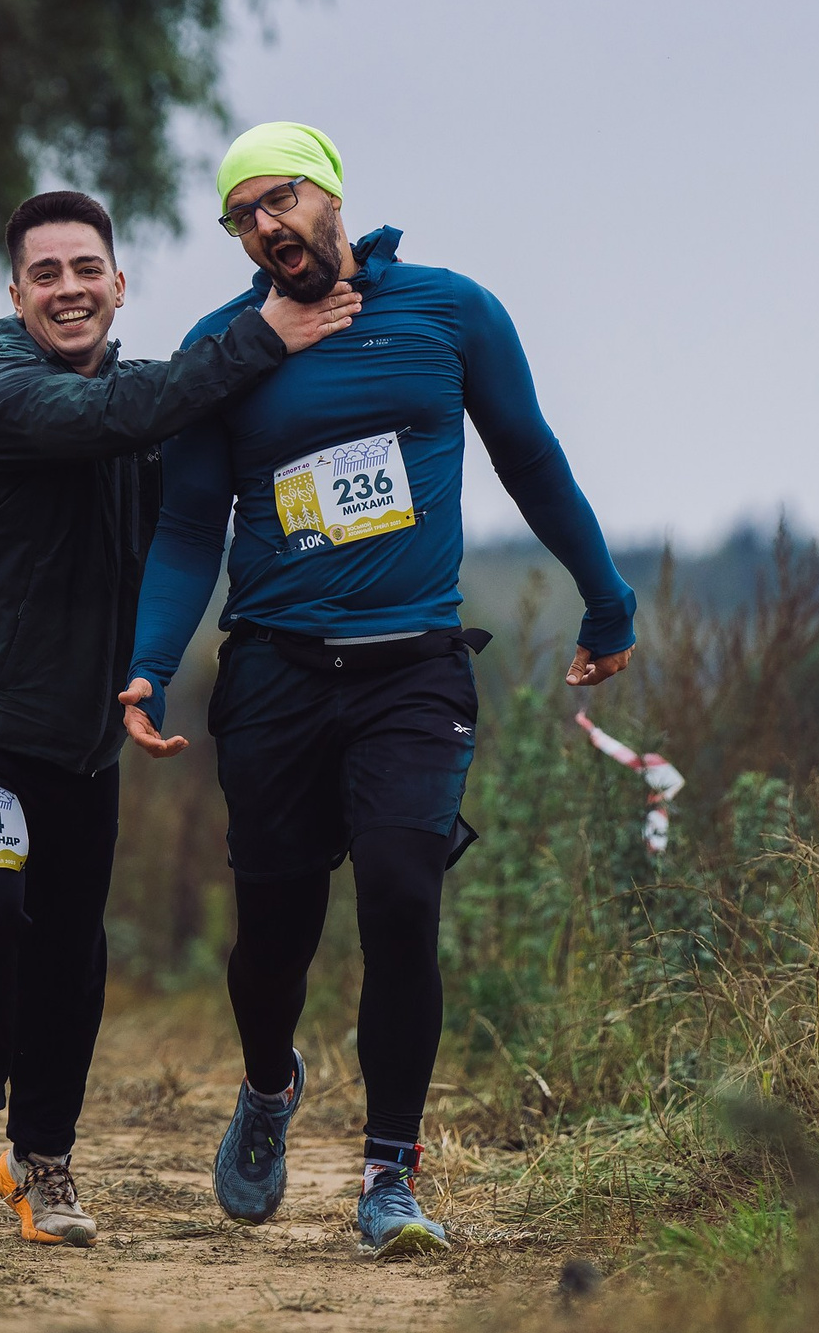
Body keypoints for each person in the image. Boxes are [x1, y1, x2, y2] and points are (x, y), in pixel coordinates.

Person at [119, 123, 637, 1257]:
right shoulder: (226, 347)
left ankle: (390, 1177)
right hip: (273, 672)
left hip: (411, 665)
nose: (269, 224)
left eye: (284, 198)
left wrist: (605, 599)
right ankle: (268, 1087)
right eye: (244, 213)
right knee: (274, 940)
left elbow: (529, 456)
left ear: (331, 194)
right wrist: (151, 663)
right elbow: (191, 527)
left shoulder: (450, 313)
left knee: (404, 896)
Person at [0, 188, 360, 1246]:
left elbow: (196, 496)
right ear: (16, 295)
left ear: (118, 283)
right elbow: (107, 416)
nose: (68, 289)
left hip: (77, 737)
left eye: (85, 269)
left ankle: (47, 1166)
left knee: (66, 949)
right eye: (45, 274)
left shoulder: (152, 409)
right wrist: (259, 334)